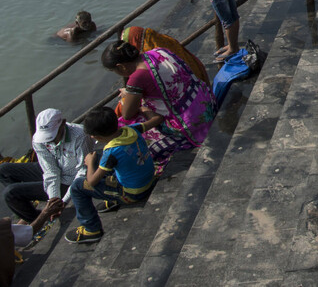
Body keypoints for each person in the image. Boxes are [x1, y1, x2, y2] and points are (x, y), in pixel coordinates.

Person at [101, 40, 216, 167]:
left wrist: (128, 95)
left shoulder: (136, 77)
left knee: (125, 125)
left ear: (120, 66)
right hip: (204, 100)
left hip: (191, 121)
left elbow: (128, 114)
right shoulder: (158, 51)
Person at [64, 107, 156, 244]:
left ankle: (91, 229)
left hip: (133, 193)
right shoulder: (132, 130)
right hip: (148, 179)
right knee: (101, 157)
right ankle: (113, 199)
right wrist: (144, 109)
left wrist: (90, 163)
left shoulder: (112, 152)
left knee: (77, 186)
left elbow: (92, 181)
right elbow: (157, 119)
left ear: (96, 136)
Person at [0, 108, 91, 228]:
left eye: (53, 135)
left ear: (63, 123)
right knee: (4, 170)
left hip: (70, 179)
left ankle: (39, 220)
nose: (50, 141)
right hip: (53, 169)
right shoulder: (39, 140)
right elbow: (50, 171)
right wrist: (54, 198)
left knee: (10, 193)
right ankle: (34, 215)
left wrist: (62, 201)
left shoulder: (80, 135)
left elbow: (82, 172)